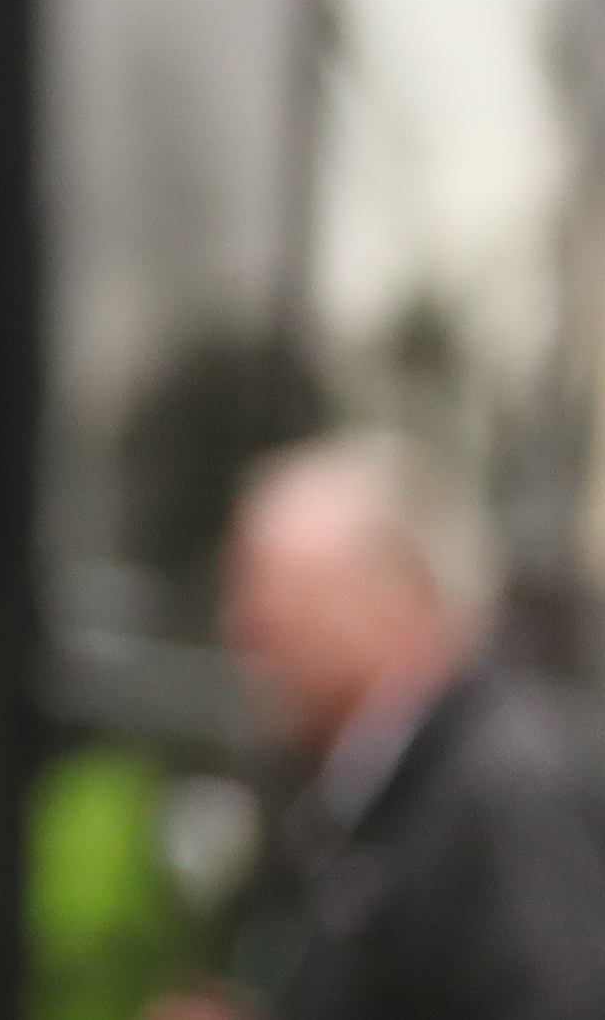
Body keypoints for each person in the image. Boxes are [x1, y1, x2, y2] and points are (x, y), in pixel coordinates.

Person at [190, 432, 605, 1017]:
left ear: (384, 598)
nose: (242, 630)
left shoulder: (510, 792)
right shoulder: (371, 777)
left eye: (273, 599)